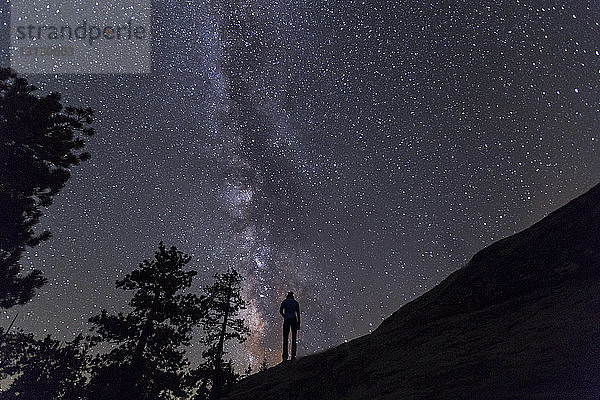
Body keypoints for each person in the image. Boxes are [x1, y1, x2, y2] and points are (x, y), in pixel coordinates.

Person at [280, 291, 300, 362]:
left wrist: (284, 316)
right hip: (294, 320)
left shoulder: (285, 301)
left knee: (285, 338)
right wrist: (298, 323)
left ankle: (285, 357)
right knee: (294, 338)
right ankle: (293, 356)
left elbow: (280, 311)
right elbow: (298, 314)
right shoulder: (295, 303)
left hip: (287, 319)